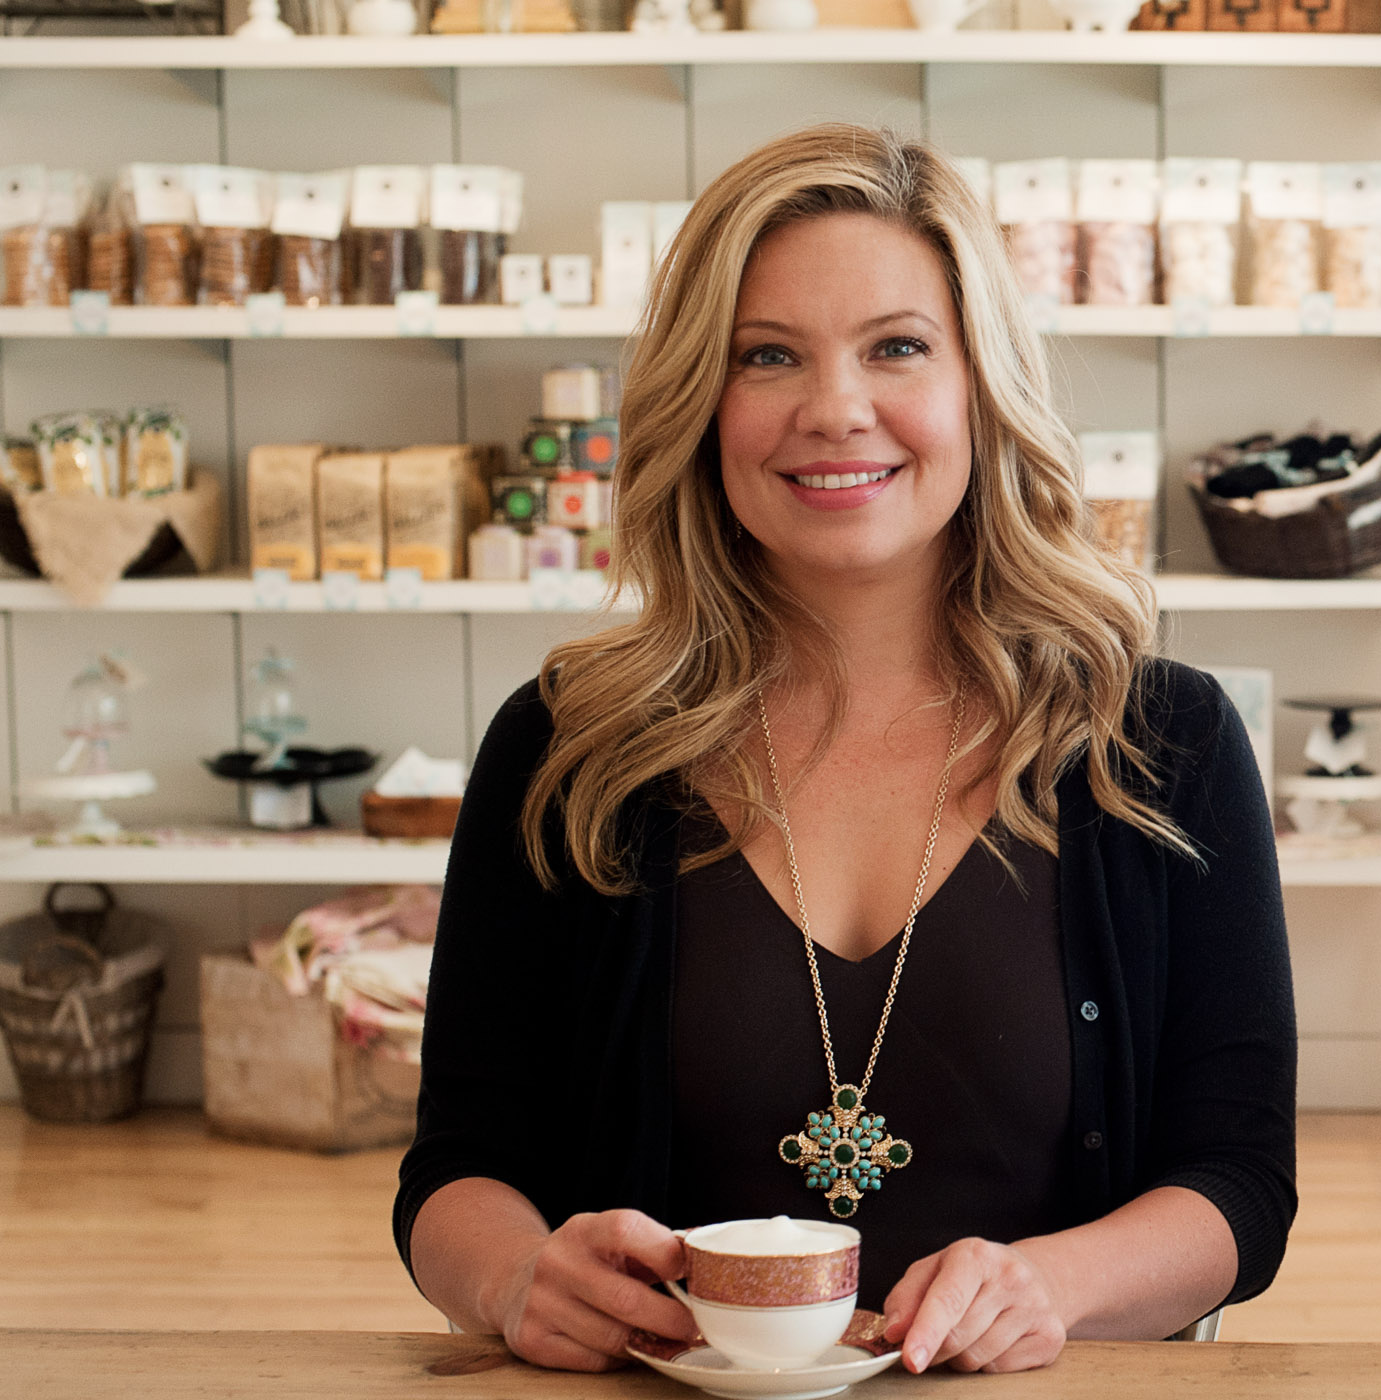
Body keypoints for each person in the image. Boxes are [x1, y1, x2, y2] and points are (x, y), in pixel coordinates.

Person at [394, 123, 1297, 1377]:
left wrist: (1047, 1284)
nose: (834, 408)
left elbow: (1239, 1181)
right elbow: (457, 1166)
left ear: (980, 384)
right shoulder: (571, 746)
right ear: (699, 405)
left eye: (897, 347)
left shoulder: (1158, 740)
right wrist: (511, 1276)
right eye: (767, 355)